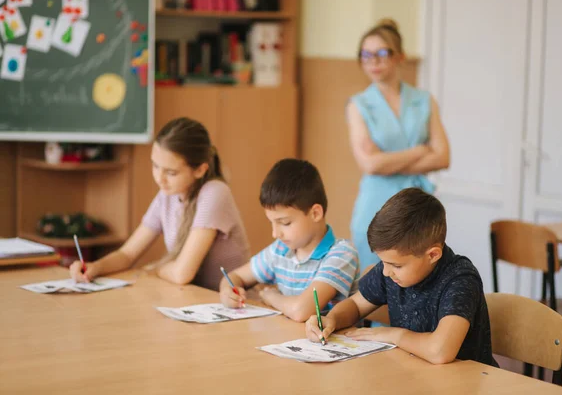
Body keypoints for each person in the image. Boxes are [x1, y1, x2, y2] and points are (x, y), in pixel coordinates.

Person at [306, 188, 497, 367]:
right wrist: (331, 319)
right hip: (415, 374)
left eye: (396, 265)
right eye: (384, 262)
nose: (385, 272)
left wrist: (393, 335)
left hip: (465, 384)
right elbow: (356, 305)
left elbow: (440, 351)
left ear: (432, 255)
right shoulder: (391, 270)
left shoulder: (460, 279)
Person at [70, 117, 250, 290]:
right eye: (155, 166)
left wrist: (153, 269)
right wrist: (96, 267)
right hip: (192, 301)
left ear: (200, 170)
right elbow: (127, 254)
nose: (159, 179)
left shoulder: (215, 192)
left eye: (171, 172)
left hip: (228, 306)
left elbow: (182, 274)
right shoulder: (167, 195)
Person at [348, 18, 450, 272]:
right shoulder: (358, 105)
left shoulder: (424, 101)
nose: (374, 61)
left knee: (421, 283)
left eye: (382, 53)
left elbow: (443, 157)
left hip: (418, 207)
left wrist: (387, 159)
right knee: (375, 293)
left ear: (400, 56)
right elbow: (370, 165)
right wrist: (420, 150)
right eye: (366, 55)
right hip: (375, 207)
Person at [219, 158, 359, 322]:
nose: (275, 233)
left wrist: (269, 296)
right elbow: (235, 276)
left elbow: (301, 311)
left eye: (284, 223)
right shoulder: (280, 250)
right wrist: (228, 291)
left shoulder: (342, 254)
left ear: (315, 213)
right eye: (271, 222)